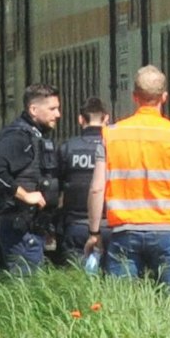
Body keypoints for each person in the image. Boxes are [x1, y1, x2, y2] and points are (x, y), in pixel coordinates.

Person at [86, 66, 170, 295]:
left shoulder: (111, 134)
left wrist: (94, 233)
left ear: (134, 97)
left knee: (122, 311)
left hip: (124, 232)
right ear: (165, 97)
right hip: (168, 232)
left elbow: (97, 188)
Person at [0, 83, 61, 275]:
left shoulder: (35, 136)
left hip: (33, 228)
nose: (58, 114)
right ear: (33, 110)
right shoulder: (19, 136)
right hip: (20, 227)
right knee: (27, 288)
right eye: (52, 109)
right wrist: (25, 195)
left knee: (31, 287)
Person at [56, 97, 109, 271]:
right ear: (106, 119)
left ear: (80, 119)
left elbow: (57, 187)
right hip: (110, 226)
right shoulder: (114, 147)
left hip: (76, 226)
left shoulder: (67, 148)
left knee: (76, 283)